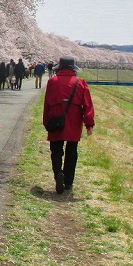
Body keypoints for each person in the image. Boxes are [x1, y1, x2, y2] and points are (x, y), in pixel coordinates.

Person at [42, 56, 95, 195]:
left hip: (56, 120)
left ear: (59, 68)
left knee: (56, 151)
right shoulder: (80, 82)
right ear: (73, 68)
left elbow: (47, 103)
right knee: (72, 152)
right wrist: (89, 124)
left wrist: (46, 122)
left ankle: (58, 173)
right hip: (74, 121)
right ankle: (68, 182)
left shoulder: (52, 82)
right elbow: (87, 105)